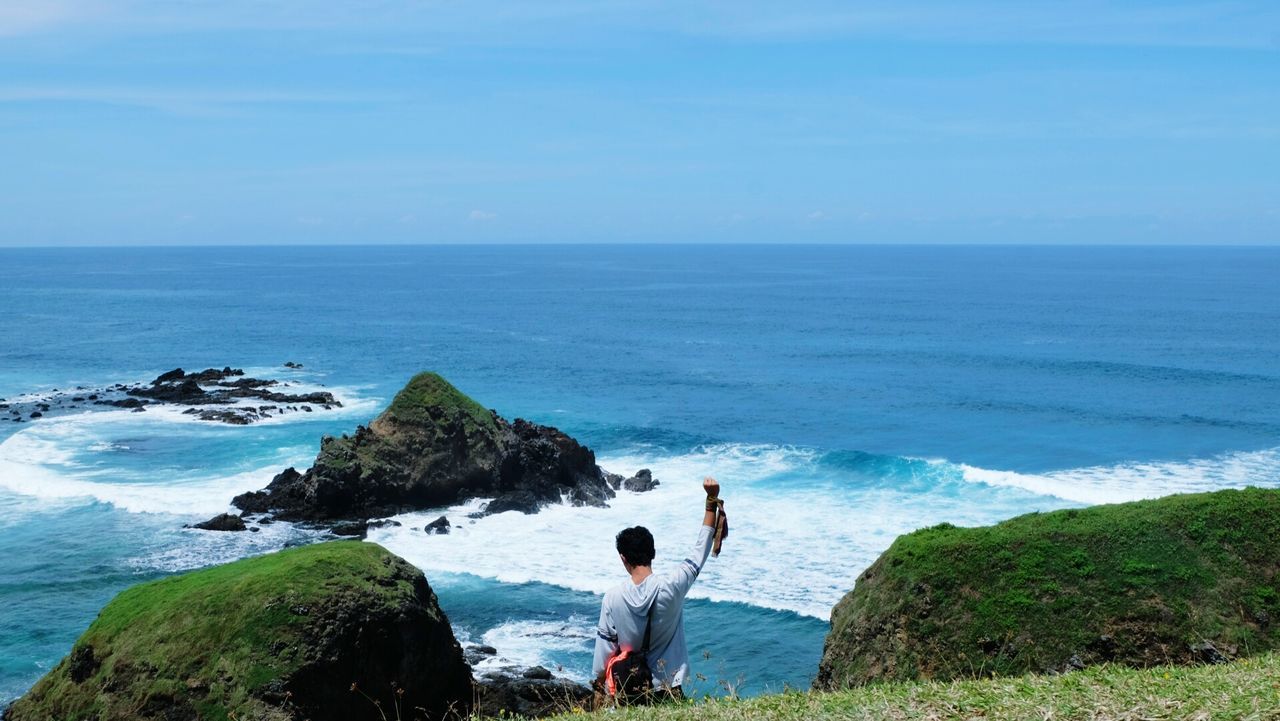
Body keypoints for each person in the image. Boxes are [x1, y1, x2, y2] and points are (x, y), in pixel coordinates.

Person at [591, 476, 725, 704]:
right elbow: (700, 550)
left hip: (629, 691)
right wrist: (711, 501)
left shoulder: (612, 598)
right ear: (653, 553)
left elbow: (605, 651)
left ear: (623, 559)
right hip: (669, 689)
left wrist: (599, 686)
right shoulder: (672, 586)